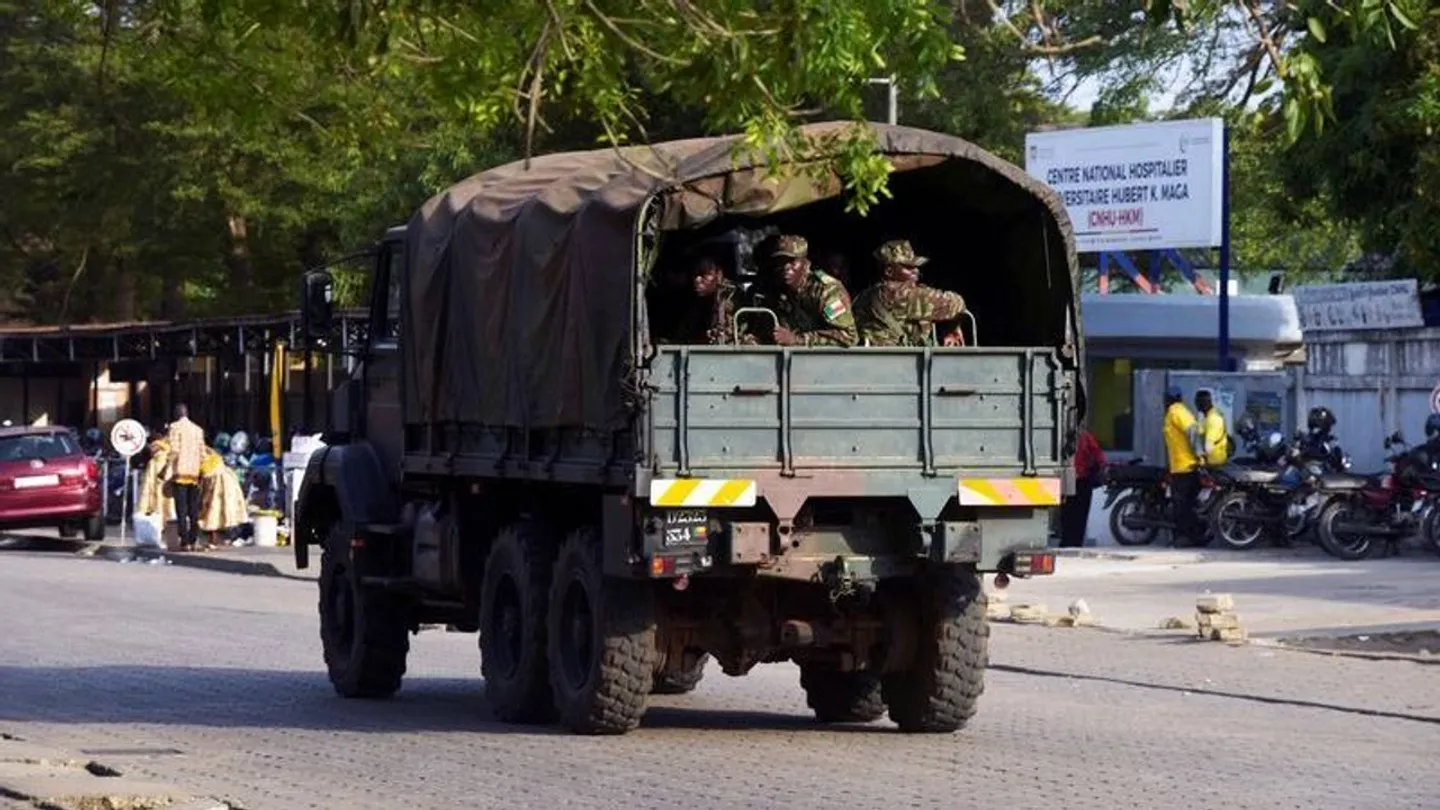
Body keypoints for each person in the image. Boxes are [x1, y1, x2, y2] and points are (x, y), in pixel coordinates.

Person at [853, 240, 967, 347]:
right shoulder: (904, 294)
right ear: (889, 271)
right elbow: (955, 303)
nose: (916, 270)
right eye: (908, 267)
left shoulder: (864, 296)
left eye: (916, 267)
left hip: (870, 361)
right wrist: (952, 325)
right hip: (899, 363)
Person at [760, 234, 858, 347]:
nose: (785, 267)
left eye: (792, 262)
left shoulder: (827, 291)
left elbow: (847, 336)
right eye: (780, 262)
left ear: (806, 264)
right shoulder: (778, 291)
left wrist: (798, 339)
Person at [672, 254, 753, 345]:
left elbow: (733, 333)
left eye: (704, 275)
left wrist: (716, 334)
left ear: (718, 274)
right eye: (695, 275)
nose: (697, 280)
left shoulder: (729, 296)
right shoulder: (700, 298)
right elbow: (686, 330)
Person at [1162, 385, 1206, 547]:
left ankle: (1185, 537)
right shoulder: (1178, 411)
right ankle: (1194, 536)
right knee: (1187, 504)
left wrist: (1199, 454)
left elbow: (1192, 430)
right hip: (1180, 465)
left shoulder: (1176, 411)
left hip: (1184, 467)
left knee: (1182, 505)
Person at [165, 404, 206, 551]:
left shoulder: (175, 427)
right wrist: (200, 470)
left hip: (180, 473)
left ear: (177, 413)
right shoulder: (197, 429)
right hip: (194, 474)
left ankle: (185, 541)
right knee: (193, 509)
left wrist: (167, 466)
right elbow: (203, 453)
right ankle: (194, 538)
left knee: (181, 509)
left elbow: (174, 450)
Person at [1060, 426, 1106, 548]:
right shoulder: (1085, 436)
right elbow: (1099, 456)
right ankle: (1074, 543)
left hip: (1068, 480)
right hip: (1082, 481)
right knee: (1079, 516)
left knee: (1067, 515)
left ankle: (1066, 542)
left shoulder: (1061, 436)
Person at [198, 446, 248, 549]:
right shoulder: (216, 459)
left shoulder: (206, 463)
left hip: (218, 487)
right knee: (225, 512)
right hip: (229, 485)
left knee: (213, 512)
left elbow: (206, 477)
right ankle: (224, 538)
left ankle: (215, 539)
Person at [1195, 389, 1230, 466]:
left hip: (1214, 464)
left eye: (1197, 402)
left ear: (1203, 403)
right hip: (1211, 462)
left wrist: (1200, 458)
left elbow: (1208, 446)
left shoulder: (1213, 418)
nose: (1196, 405)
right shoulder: (1207, 417)